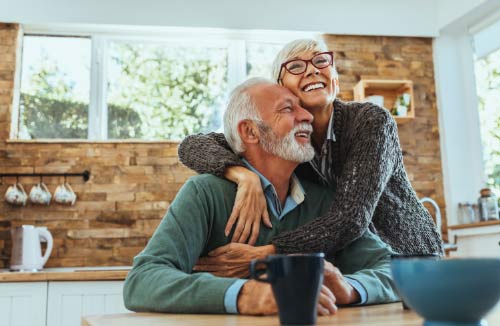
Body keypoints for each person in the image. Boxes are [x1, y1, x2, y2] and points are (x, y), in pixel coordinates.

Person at [123, 78, 398, 315]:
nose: (308, 117)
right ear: (250, 131)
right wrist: (247, 294)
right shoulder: (205, 193)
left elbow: (394, 270)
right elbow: (142, 280)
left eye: (302, 108)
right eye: (288, 109)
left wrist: (350, 288)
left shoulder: (326, 202)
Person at [178, 39, 443, 267]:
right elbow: (192, 145)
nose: (313, 70)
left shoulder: (371, 122)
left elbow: (350, 218)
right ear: (281, 88)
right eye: (295, 66)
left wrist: (270, 253)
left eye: (321, 62)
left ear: (335, 79)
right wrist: (244, 176)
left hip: (409, 256)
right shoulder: (285, 140)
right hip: (354, 263)